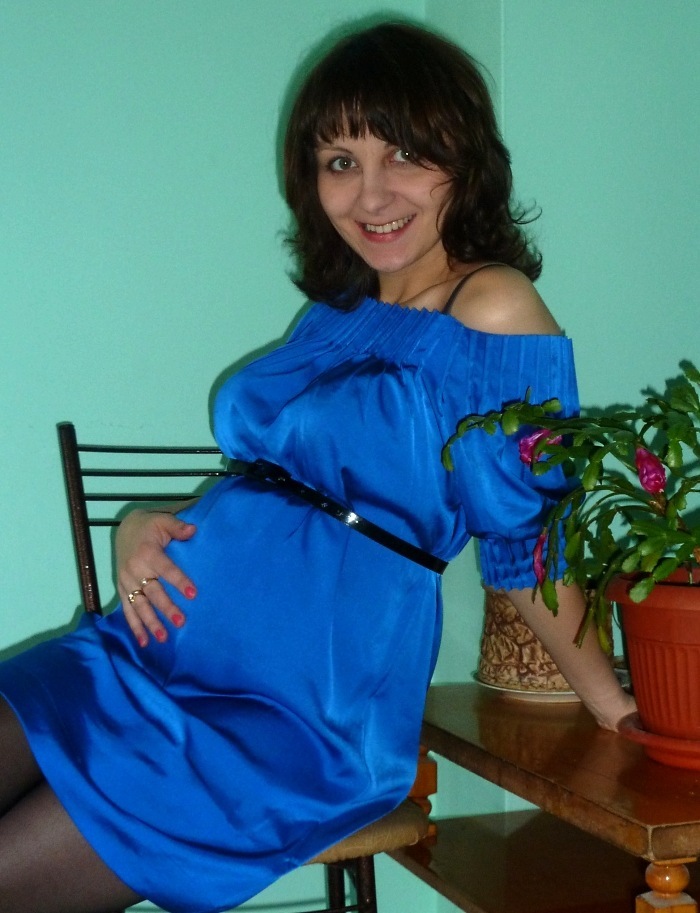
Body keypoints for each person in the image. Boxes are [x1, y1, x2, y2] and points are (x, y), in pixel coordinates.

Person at [0, 20, 636, 913]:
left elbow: (525, 540)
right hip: (154, 647)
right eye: (341, 161)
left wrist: (613, 705)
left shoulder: (491, 306)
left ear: (463, 160)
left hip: (288, 708)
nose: (371, 193)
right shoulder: (340, 307)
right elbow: (277, 482)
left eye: (403, 155)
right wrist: (139, 523)